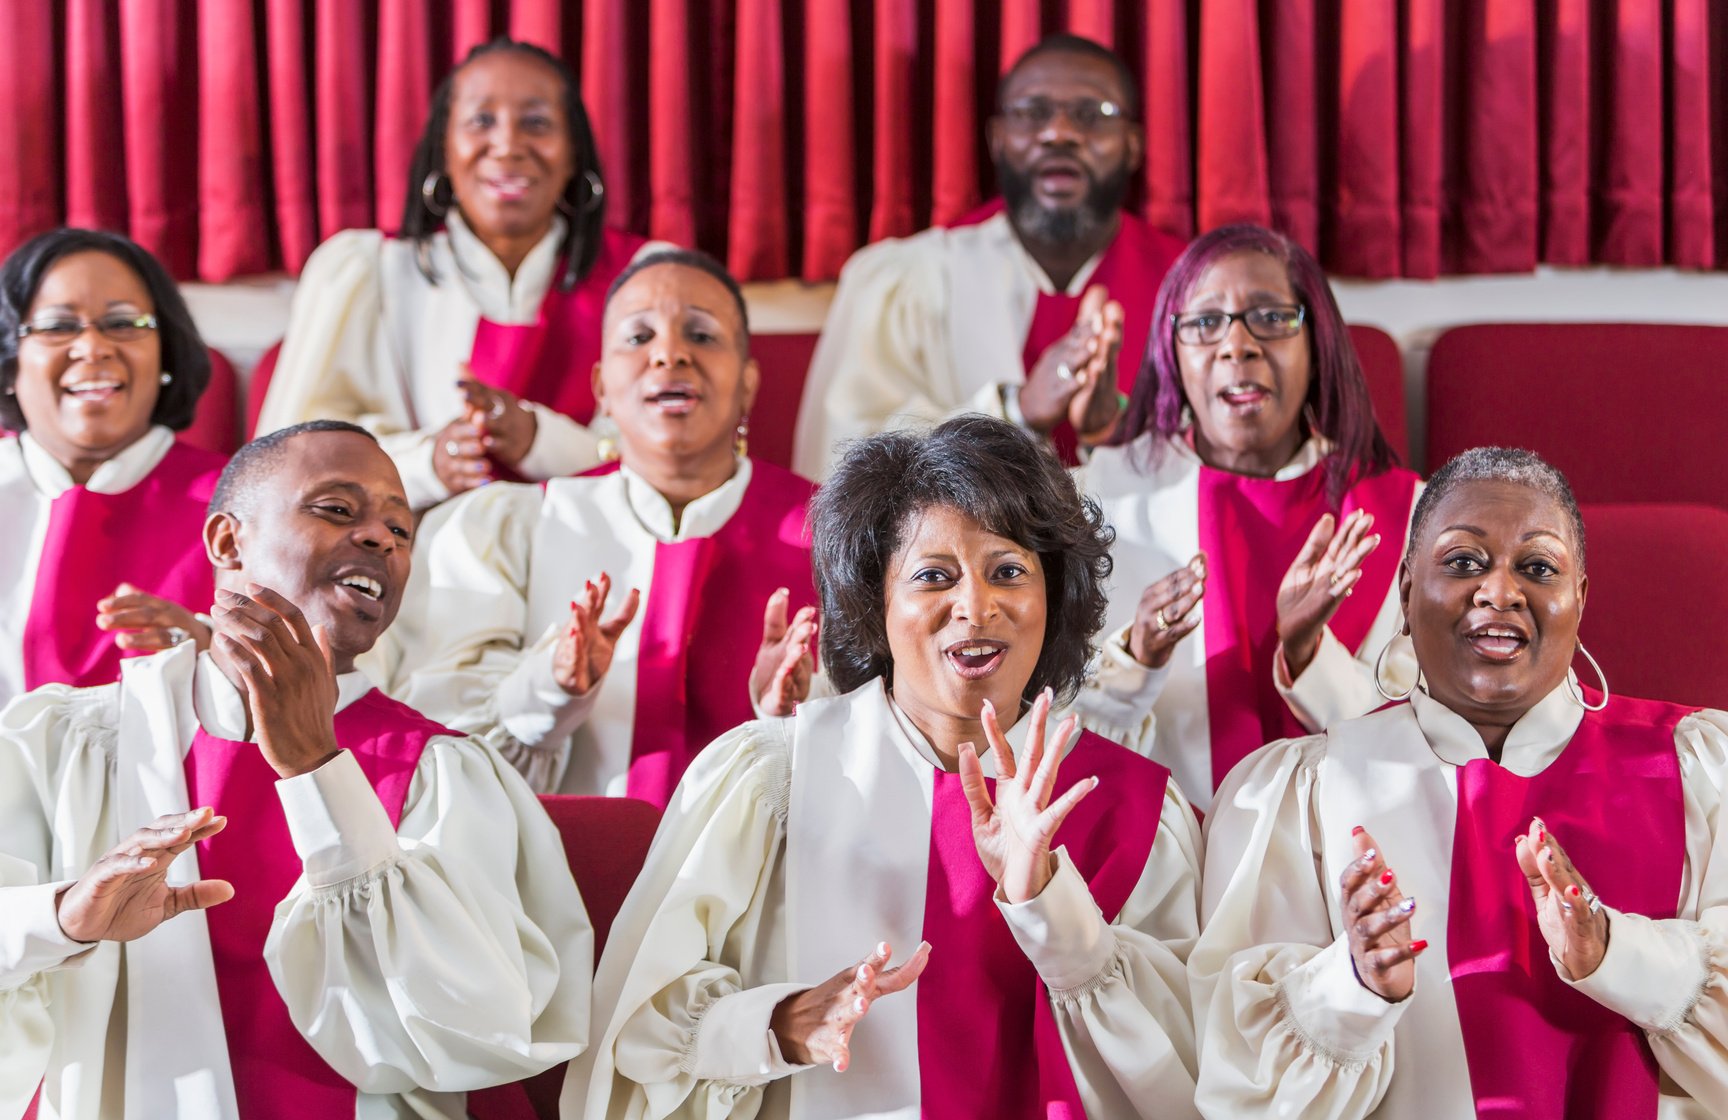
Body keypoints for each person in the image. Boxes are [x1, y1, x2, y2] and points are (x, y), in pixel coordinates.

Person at [573, 415, 1206, 1120]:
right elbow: (639, 1038)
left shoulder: (1132, 809)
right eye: (933, 576)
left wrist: (1053, 915)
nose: (976, 607)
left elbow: (1189, 1091)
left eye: (1008, 571)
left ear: (1054, 598)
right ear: (875, 602)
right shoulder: (769, 781)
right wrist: (777, 1024)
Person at [0, 421, 592, 1120]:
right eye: (338, 510)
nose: (379, 538)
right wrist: (62, 919)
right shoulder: (70, 742)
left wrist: (320, 770)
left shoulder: (442, 770)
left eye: (399, 529)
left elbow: (483, 1027)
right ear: (226, 542)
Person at [1190, 447, 1728, 1120]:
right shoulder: (1296, 796)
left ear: (1582, 598)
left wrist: (1619, 955)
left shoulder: (1700, 768)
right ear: (1407, 593)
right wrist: (1350, 987)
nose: (1499, 592)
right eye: (1464, 562)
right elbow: (1246, 1105)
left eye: (1537, 568)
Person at [385, 249, 818, 801]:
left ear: (748, 385)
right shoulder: (515, 526)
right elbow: (446, 756)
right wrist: (550, 690)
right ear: (601, 388)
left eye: (703, 336)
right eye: (638, 338)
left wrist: (799, 714)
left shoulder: (835, 532)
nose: (670, 354)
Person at [1076, 223, 1421, 811]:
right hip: (1165, 871)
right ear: (1172, 352)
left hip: (1336, 860)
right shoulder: (1100, 502)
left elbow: (1422, 745)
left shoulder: (1406, 513)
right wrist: (1138, 656)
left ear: (1319, 344)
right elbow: (1054, 730)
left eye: (1270, 317)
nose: (1237, 346)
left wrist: (1309, 652)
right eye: (1206, 323)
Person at [257, 37, 654, 512]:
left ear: (574, 152)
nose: (508, 145)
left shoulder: (644, 278)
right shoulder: (367, 272)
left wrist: (537, 439)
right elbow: (290, 465)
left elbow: (677, 458)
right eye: (481, 121)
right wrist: (431, 462)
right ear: (444, 147)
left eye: (537, 123)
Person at [792, 34, 1184, 478]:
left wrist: (1110, 435)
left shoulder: (1193, 286)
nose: (1059, 134)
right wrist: (1016, 411)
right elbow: (849, 465)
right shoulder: (919, 277)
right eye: (1032, 113)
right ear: (997, 140)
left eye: (1092, 115)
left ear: (1133, 144)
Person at [0, 227, 227, 710]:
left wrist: (213, 655)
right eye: (59, 327)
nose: (93, 347)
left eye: (124, 323)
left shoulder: (244, 504)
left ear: (165, 351)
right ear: (11, 362)